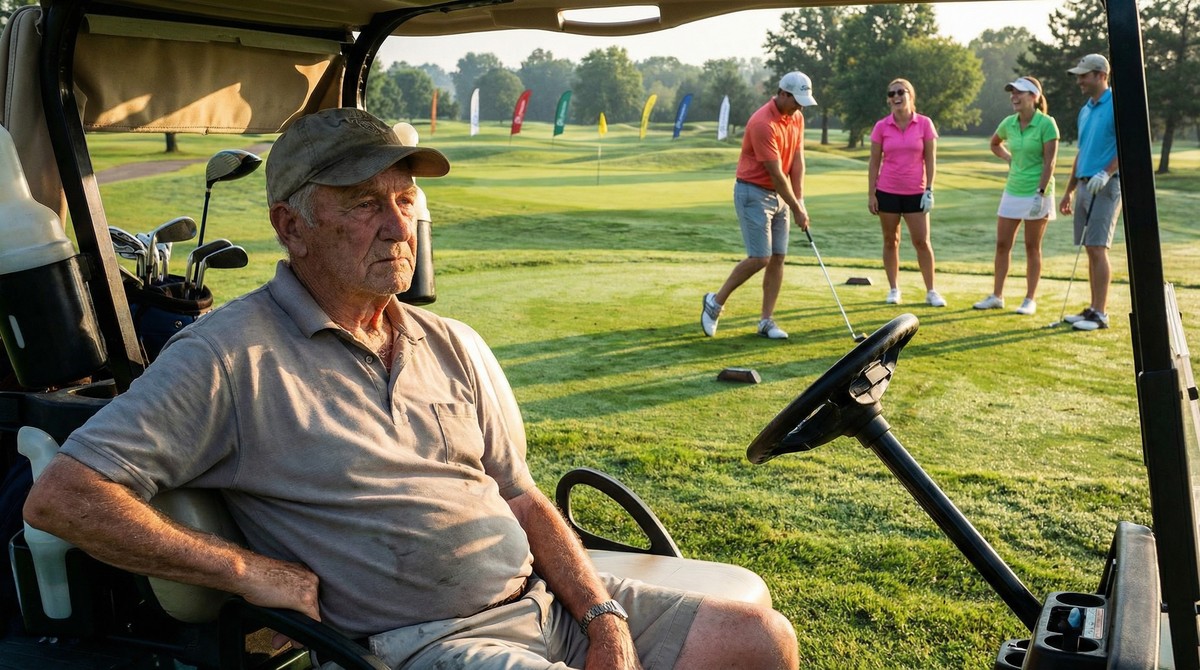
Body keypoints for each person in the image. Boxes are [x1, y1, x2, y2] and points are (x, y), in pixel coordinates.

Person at [23, 108, 799, 670]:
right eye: (365, 205)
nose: (399, 228)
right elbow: (60, 497)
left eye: (403, 201)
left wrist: (600, 618)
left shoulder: (450, 342)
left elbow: (523, 500)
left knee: (761, 641)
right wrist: (243, 570)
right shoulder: (226, 358)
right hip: (420, 643)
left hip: (542, 605)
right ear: (292, 228)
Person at [701, 71, 816, 340]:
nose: (801, 106)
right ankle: (715, 303)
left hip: (781, 195)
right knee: (760, 257)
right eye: (797, 100)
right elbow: (776, 174)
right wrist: (797, 209)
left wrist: (800, 201)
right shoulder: (763, 123)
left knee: (778, 256)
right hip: (753, 192)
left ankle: (766, 320)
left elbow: (797, 161)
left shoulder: (796, 117)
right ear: (783, 93)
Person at [974, 76, 1059, 315]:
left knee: (1032, 247)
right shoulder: (1009, 123)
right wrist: (1009, 158)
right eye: (1011, 92)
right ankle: (997, 296)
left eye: (1019, 92)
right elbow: (995, 143)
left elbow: (1050, 162)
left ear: (1034, 96)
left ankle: (1030, 299)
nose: (1014, 96)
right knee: (1002, 244)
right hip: (1013, 190)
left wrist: (1040, 193)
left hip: (1037, 192)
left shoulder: (1046, 124)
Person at [867, 78, 945, 307]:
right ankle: (894, 289)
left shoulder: (924, 124)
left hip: (916, 192)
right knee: (891, 241)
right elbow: (873, 163)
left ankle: (931, 291)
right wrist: (871, 194)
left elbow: (930, 159)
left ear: (911, 95)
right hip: (887, 191)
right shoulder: (882, 126)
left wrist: (929, 189)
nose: (896, 97)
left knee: (922, 242)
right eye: (891, 94)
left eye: (901, 92)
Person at [1057, 54, 1121, 331]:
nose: (1080, 81)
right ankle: (1093, 309)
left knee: (1098, 247)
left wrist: (1106, 172)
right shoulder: (1086, 109)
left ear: (1100, 75)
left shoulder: (1117, 105)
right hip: (1084, 184)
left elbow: (1126, 145)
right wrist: (1069, 190)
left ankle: (1101, 314)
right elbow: (1082, 152)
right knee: (1089, 249)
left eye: (1084, 75)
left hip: (1106, 185)